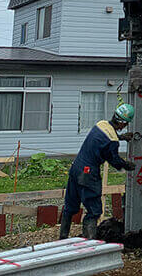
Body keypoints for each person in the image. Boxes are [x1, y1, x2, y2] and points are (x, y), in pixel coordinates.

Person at [59, 103, 137, 240]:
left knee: (70, 206)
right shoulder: (112, 141)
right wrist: (127, 165)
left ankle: (62, 238)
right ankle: (89, 244)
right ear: (123, 124)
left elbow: (102, 139)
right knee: (94, 211)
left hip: (76, 168)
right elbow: (114, 159)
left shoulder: (101, 124)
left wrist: (122, 137)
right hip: (88, 174)